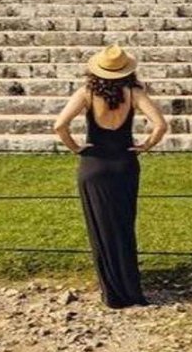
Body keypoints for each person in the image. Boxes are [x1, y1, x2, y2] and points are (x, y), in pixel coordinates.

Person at [52, 44, 169, 308]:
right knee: (124, 225)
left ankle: (112, 292)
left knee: (101, 227)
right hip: (125, 163)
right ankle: (130, 287)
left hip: (94, 164)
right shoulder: (134, 92)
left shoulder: (87, 93)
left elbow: (59, 125)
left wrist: (76, 148)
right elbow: (161, 125)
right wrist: (145, 146)